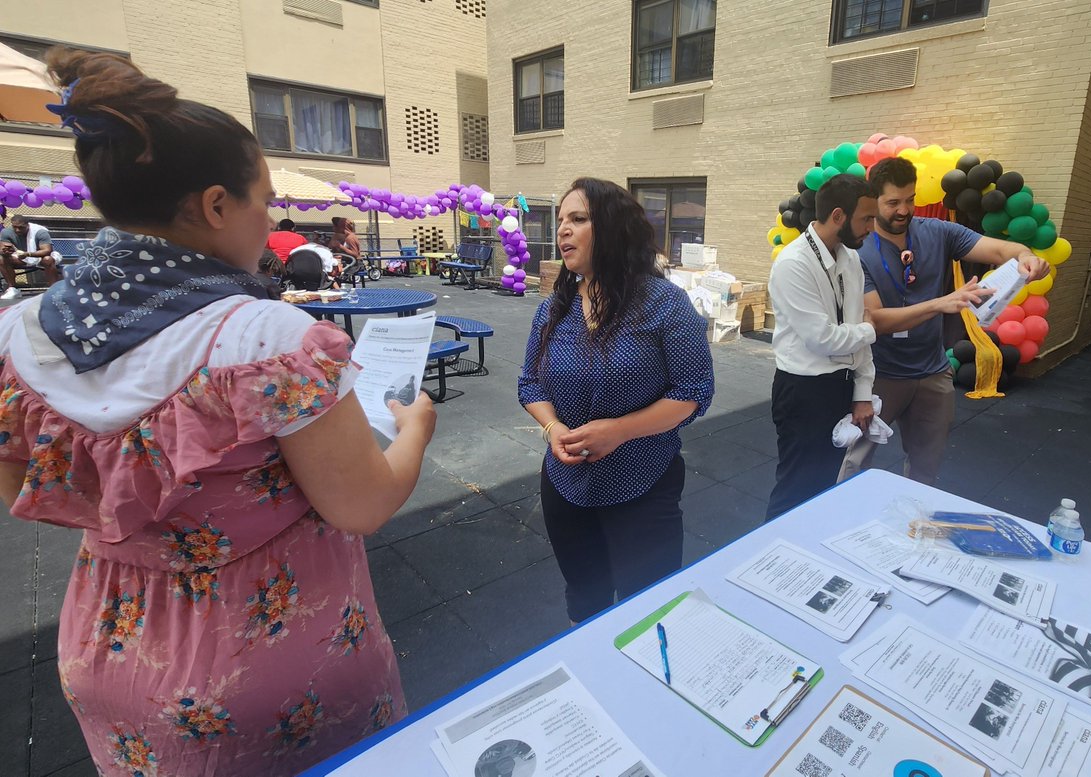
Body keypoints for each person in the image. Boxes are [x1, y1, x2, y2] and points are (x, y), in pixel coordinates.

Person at [0, 49, 437, 775]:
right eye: (262, 201)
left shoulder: (18, 336)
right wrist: (415, 428)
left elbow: (23, 490)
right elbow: (361, 504)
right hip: (270, 665)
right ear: (214, 205)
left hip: (107, 651)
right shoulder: (268, 342)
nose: (267, 222)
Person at [518, 177, 714, 624]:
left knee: (648, 611)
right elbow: (530, 384)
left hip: (643, 485)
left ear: (611, 227)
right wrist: (553, 429)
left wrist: (619, 431)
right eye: (561, 220)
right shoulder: (554, 308)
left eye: (579, 219)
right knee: (586, 604)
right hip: (566, 488)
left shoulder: (665, 303)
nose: (563, 229)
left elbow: (694, 392)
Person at [839, 157, 1050, 485]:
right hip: (877, 376)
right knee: (855, 461)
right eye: (893, 202)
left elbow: (999, 250)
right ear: (872, 200)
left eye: (909, 200)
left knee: (926, 468)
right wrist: (943, 303)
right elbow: (877, 320)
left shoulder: (936, 231)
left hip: (932, 373)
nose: (904, 210)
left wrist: (1025, 255)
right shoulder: (858, 250)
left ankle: (915, 529)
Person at [766, 174, 878, 520]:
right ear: (839, 216)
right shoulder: (793, 263)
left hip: (839, 385)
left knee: (824, 485)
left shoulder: (850, 259)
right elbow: (823, 339)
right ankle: (772, 561)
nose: (871, 228)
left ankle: (805, 559)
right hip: (803, 390)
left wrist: (862, 391)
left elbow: (853, 327)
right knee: (795, 489)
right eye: (866, 218)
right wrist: (868, 330)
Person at [0, 213, 63, 297]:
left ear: (27, 225)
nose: (17, 230)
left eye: (21, 227)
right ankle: (13, 289)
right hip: (21, 257)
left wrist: (28, 254)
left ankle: (54, 290)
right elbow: (3, 248)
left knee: (48, 259)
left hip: (40, 257)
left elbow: (47, 251)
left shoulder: (39, 231)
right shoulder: (6, 232)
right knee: (2, 259)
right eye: (15, 227)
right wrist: (5, 252)